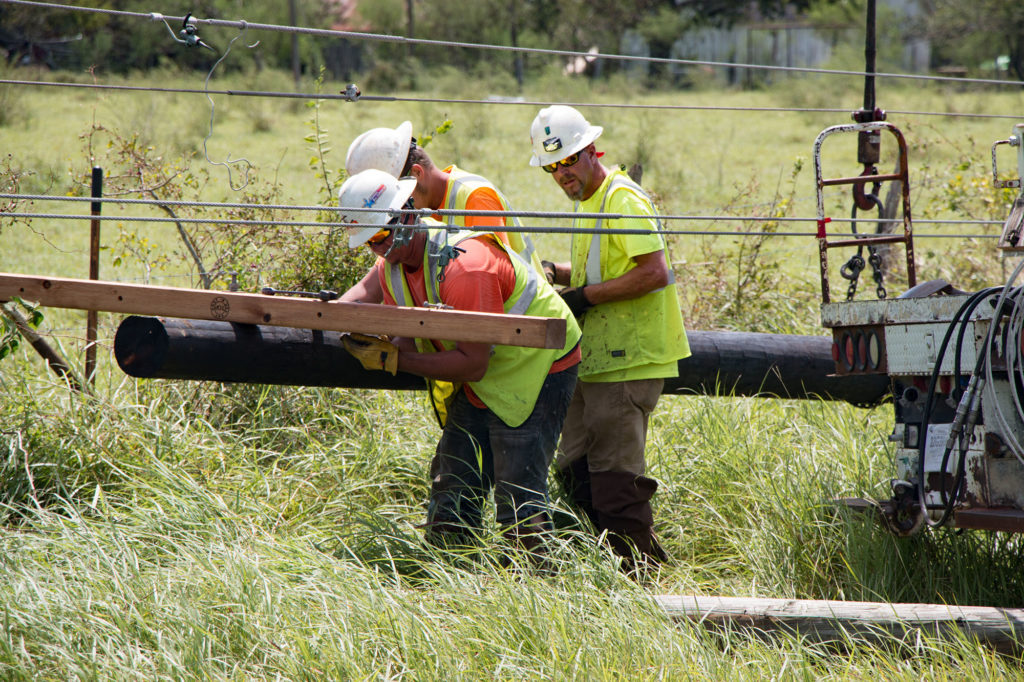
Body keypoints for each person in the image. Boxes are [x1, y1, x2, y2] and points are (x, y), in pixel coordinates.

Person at [336, 168, 582, 555]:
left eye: (381, 237)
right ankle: (449, 575)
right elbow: (363, 312)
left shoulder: (465, 265)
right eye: (370, 243)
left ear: (408, 214)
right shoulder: (395, 262)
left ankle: (540, 588)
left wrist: (394, 360)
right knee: (454, 484)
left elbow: (471, 364)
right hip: (485, 368)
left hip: (537, 365)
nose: (379, 250)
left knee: (518, 494)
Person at [528, 104, 691, 570]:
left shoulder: (622, 200)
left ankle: (644, 580)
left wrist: (584, 297)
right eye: (552, 167)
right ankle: (599, 568)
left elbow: (654, 273)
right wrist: (556, 273)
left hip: (627, 361)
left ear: (591, 151)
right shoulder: (591, 201)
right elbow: (603, 268)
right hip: (597, 359)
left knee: (615, 480)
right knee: (573, 466)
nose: (562, 174)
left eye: (569, 161)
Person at [345, 121, 544, 274]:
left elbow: (492, 275)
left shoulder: (475, 198)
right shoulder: (413, 213)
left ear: (416, 174)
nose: (396, 205)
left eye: (398, 195)